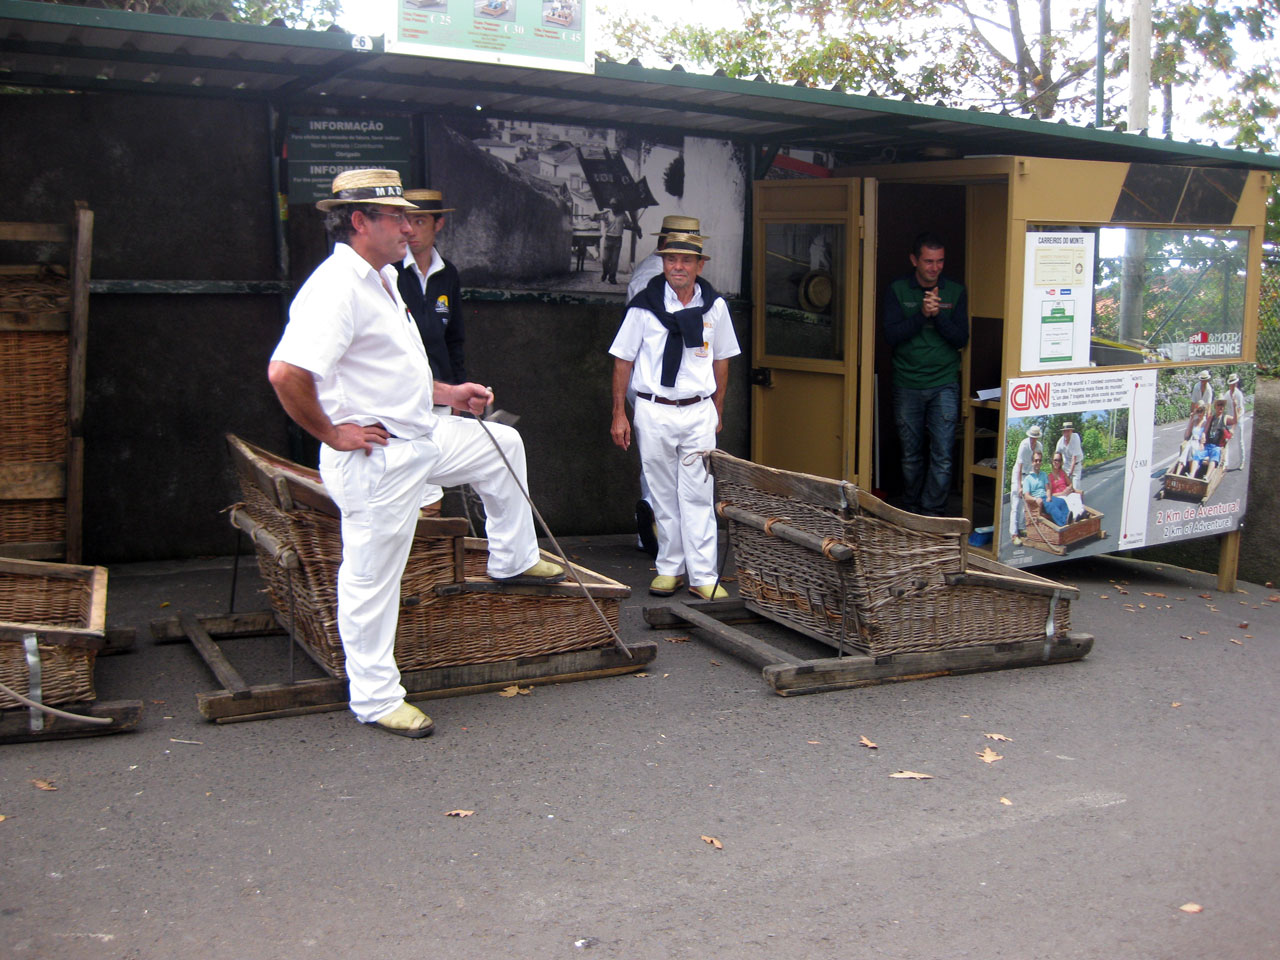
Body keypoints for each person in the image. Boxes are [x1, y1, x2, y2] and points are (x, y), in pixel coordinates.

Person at [267, 168, 563, 739]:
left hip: (418, 436)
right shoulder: (336, 287)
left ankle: (512, 558)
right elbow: (286, 374)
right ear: (359, 221)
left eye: (409, 217)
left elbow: (391, 376)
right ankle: (375, 697)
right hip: (377, 460)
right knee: (372, 578)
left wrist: (449, 394)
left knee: (501, 442)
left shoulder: (382, 278)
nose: (410, 227)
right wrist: (331, 433)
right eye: (396, 217)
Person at [609, 228, 741, 600]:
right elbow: (623, 360)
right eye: (670, 259)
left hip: (698, 410)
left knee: (699, 494)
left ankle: (702, 576)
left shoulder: (714, 306)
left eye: (685, 260)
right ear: (662, 262)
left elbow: (722, 360)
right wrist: (619, 413)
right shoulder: (644, 306)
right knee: (663, 495)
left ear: (699, 265)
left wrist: (717, 409)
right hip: (653, 410)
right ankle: (669, 568)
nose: (677, 266)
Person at [626, 214, 703, 558]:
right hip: (657, 381)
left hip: (655, 380)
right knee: (668, 462)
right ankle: (657, 526)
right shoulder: (653, 281)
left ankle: (654, 526)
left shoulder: (651, 273)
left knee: (658, 460)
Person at [882, 231, 969, 516]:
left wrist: (938, 315)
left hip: (944, 382)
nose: (935, 268)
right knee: (910, 455)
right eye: (929, 261)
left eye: (940, 261)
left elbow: (961, 339)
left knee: (943, 454)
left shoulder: (955, 291)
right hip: (907, 382)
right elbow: (891, 336)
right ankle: (911, 511)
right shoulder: (897, 289)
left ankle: (933, 513)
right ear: (914, 260)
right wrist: (921, 314)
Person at [394, 188, 463, 516]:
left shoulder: (448, 273)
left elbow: (455, 339)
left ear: (439, 224)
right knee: (408, 486)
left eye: (420, 221)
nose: (410, 230)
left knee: (433, 486)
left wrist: (458, 390)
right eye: (405, 220)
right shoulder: (390, 271)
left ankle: (423, 559)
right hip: (400, 398)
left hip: (440, 396)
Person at [1009, 424, 1042, 545]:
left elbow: (1037, 464)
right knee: (1016, 504)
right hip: (1018, 474)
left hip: (1029, 475)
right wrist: (1020, 486)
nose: (1033, 439)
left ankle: (1022, 528)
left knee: (1025, 504)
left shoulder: (1039, 446)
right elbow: (1019, 466)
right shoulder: (1024, 445)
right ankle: (1014, 534)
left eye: (1035, 437)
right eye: (1032, 437)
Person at [1022, 452, 1069, 527]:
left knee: (1061, 502)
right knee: (1051, 506)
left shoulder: (1043, 475)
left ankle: (1068, 519)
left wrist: (1049, 497)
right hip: (1038, 500)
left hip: (1045, 497)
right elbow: (1026, 496)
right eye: (1036, 460)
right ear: (1032, 462)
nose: (1038, 462)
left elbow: (1047, 489)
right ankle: (1064, 523)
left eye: (1040, 461)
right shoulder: (1028, 479)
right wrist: (1035, 499)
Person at [1191, 397, 1232, 479]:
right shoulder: (1211, 419)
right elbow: (1205, 431)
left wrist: (1233, 429)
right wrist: (1202, 442)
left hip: (1216, 447)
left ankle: (1207, 476)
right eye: (1218, 405)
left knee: (1214, 456)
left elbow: (1235, 421)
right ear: (1215, 406)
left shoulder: (1224, 418)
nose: (1220, 407)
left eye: (1222, 405)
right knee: (1197, 454)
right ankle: (1191, 475)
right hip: (1207, 445)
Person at [600, 203, 638, 285]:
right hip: (608, 238)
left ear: (618, 207)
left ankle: (612, 277)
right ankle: (605, 272)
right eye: (612, 206)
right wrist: (596, 215)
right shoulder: (607, 214)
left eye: (615, 206)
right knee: (605, 259)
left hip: (617, 239)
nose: (614, 208)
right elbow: (596, 217)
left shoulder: (623, 215)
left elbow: (628, 224)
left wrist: (634, 226)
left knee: (614, 260)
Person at [1172, 403, 1206, 476]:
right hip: (1192, 440)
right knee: (1185, 452)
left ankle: (1192, 474)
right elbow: (1187, 435)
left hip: (1199, 442)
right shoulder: (1194, 421)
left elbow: (1204, 436)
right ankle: (1177, 474)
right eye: (1198, 411)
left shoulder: (1205, 423)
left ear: (1204, 412)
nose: (1199, 413)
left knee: (1192, 450)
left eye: (1201, 411)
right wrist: (1191, 419)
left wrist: (1202, 443)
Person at [1226, 372, 1246, 471]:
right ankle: (1226, 463)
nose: (1233, 385)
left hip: (1239, 419)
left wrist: (1234, 425)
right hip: (1230, 419)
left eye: (1234, 383)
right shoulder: (1226, 394)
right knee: (1226, 440)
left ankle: (1242, 462)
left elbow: (1239, 410)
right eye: (1231, 384)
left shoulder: (1239, 395)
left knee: (1240, 440)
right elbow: (1225, 408)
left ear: (1236, 384)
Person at [1054, 421, 1084, 489]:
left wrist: (1069, 474)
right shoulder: (1060, 442)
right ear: (1062, 432)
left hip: (1076, 465)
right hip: (1066, 465)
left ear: (1071, 431)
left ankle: (1078, 498)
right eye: (1064, 431)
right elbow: (1056, 455)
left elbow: (1074, 458)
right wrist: (1056, 470)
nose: (1066, 433)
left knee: (1075, 487)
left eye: (1068, 431)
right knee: (1064, 487)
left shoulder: (1076, 438)